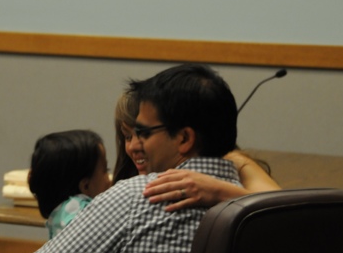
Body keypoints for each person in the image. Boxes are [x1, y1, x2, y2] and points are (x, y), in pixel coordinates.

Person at [16, 64, 243, 253]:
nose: (137, 144)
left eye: (144, 133)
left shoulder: (137, 196)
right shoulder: (258, 209)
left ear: (184, 138)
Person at [113, 90, 280, 212]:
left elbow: (280, 211)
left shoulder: (231, 163)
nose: (134, 146)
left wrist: (220, 191)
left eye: (145, 134)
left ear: (184, 138)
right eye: (127, 137)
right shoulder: (124, 189)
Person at [27, 129, 111, 253]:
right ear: (85, 186)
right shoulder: (81, 212)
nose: (110, 179)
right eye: (105, 170)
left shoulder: (60, 215)